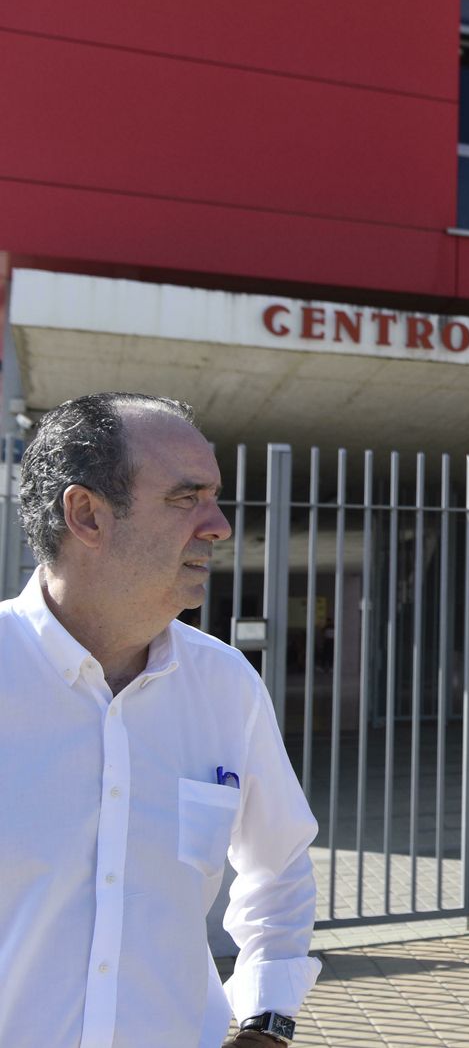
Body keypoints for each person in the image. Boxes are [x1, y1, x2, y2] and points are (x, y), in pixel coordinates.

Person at [0, 393, 322, 1046]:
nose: (220, 525)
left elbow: (278, 866)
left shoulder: (225, 684)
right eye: (187, 498)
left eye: (215, 496)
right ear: (86, 514)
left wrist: (267, 1019)